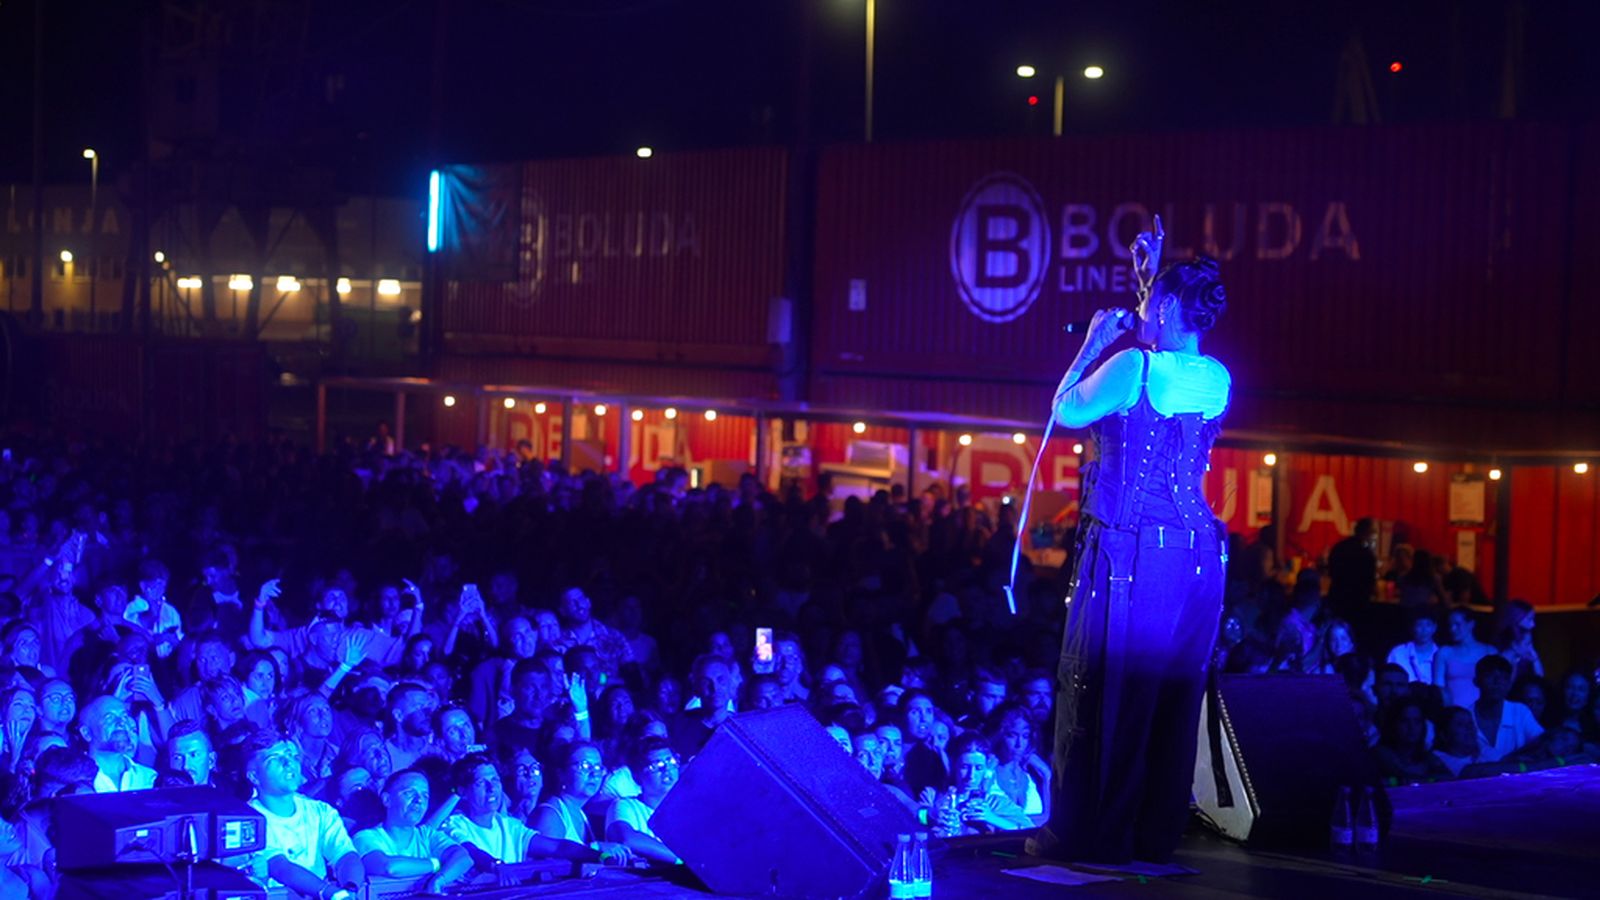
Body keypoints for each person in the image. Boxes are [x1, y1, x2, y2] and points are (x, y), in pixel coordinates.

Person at [1035, 226, 1232, 865]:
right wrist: (1153, 283)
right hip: (1199, 557)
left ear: (1168, 310)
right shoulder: (1216, 377)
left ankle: (1091, 837)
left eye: (1150, 304)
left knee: (1100, 684)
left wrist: (1093, 341)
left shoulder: (1129, 364)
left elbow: (1065, 409)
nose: (1140, 313)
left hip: (1130, 549)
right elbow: (1165, 342)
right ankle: (1151, 834)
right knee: (1171, 695)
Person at [232, 728, 366, 895]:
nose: (289, 764)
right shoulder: (244, 820)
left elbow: (345, 854)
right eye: (275, 759)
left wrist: (350, 890)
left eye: (292, 756)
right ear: (254, 776)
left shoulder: (320, 811)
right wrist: (329, 892)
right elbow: (280, 868)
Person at [352, 769, 472, 892]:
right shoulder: (365, 837)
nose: (419, 800)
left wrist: (440, 879)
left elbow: (464, 858)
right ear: (387, 799)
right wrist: (439, 864)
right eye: (409, 793)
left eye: (425, 796)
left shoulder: (427, 835)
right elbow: (389, 867)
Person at [529, 742, 632, 865]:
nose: (594, 774)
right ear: (561, 773)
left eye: (598, 767)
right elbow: (548, 867)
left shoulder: (580, 813)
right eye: (585, 766)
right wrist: (596, 848)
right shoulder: (550, 814)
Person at [604, 736, 682, 865]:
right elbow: (626, 838)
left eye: (671, 761)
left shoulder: (688, 809)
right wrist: (682, 860)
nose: (667, 769)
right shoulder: (625, 806)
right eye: (656, 765)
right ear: (637, 775)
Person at [78, 694, 157, 793]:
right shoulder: (74, 780)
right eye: (109, 718)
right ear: (87, 733)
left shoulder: (149, 778)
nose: (121, 722)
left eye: (124, 716)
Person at [1433, 608, 1495, 708]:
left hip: (1482, 713)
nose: (1452, 629)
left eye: (1457, 624)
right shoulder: (1444, 652)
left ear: (1471, 624)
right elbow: (1438, 688)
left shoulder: (1488, 651)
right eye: (1450, 625)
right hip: (1453, 713)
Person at [1388, 608, 1440, 684]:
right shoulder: (1398, 653)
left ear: (1434, 627)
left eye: (1428, 625)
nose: (1424, 630)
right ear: (1413, 627)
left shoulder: (1441, 655)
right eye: (1419, 625)